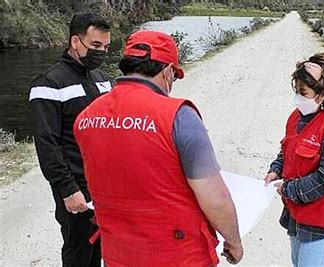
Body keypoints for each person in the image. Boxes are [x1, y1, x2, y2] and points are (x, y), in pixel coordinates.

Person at [73, 30, 243, 266]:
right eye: (174, 75)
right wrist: (233, 240)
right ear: (167, 71)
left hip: (117, 253)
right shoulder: (178, 116)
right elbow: (215, 199)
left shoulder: (87, 116)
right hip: (178, 254)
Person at [29, 13, 111, 266]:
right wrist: (67, 189)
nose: (101, 52)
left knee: (101, 247)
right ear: (76, 41)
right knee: (78, 249)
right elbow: (47, 143)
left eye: (106, 47)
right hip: (75, 185)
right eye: (96, 46)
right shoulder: (48, 84)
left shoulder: (102, 79)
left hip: (105, 184)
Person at [265, 53, 324, 267]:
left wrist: (289, 189)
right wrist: (276, 169)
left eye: (303, 93)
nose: (298, 98)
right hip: (297, 214)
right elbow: (286, 150)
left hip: (321, 220)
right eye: (297, 91)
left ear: (322, 93)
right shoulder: (298, 116)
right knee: (298, 262)